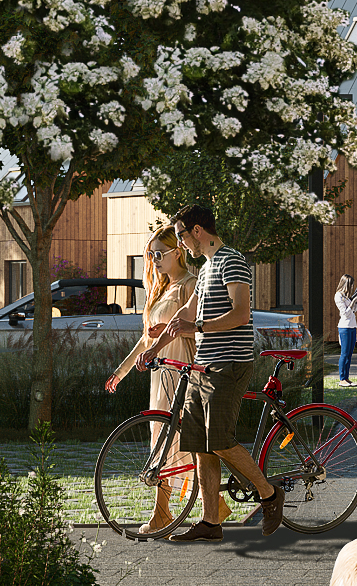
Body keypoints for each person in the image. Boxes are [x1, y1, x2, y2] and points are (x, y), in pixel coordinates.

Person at [128, 202, 282, 542]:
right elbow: (186, 311)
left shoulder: (232, 261)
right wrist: (153, 348)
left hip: (229, 363)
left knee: (220, 440)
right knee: (199, 444)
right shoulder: (209, 267)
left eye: (182, 236)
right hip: (203, 365)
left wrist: (197, 326)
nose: (182, 244)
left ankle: (269, 494)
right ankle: (211, 523)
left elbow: (241, 314)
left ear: (197, 231)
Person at [103, 228, 197, 538]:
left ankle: (172, 512)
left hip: (182, 369)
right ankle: (166, 512)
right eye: (151, 255)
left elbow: (199, 330)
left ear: (177, 253)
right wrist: (120, 371)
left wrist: (171, 332)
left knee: (179, 442)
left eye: (159, 254)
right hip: (161, 372)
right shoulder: (163, 288)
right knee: (163, 439)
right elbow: (147, 339)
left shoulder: (190, 285)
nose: (154, 260)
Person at [332, 272, 357, 385]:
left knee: (349, 354)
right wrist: (353, 302)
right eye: (350, 285)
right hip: (344, 327)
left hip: (352, 326)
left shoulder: (346, 297)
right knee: (344, 353)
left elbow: (353, 311)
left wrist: (356, 301)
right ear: (345, 284)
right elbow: (345, 313)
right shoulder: (338, 296)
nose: (352, 287)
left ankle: (346, 378)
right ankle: (342, 379)